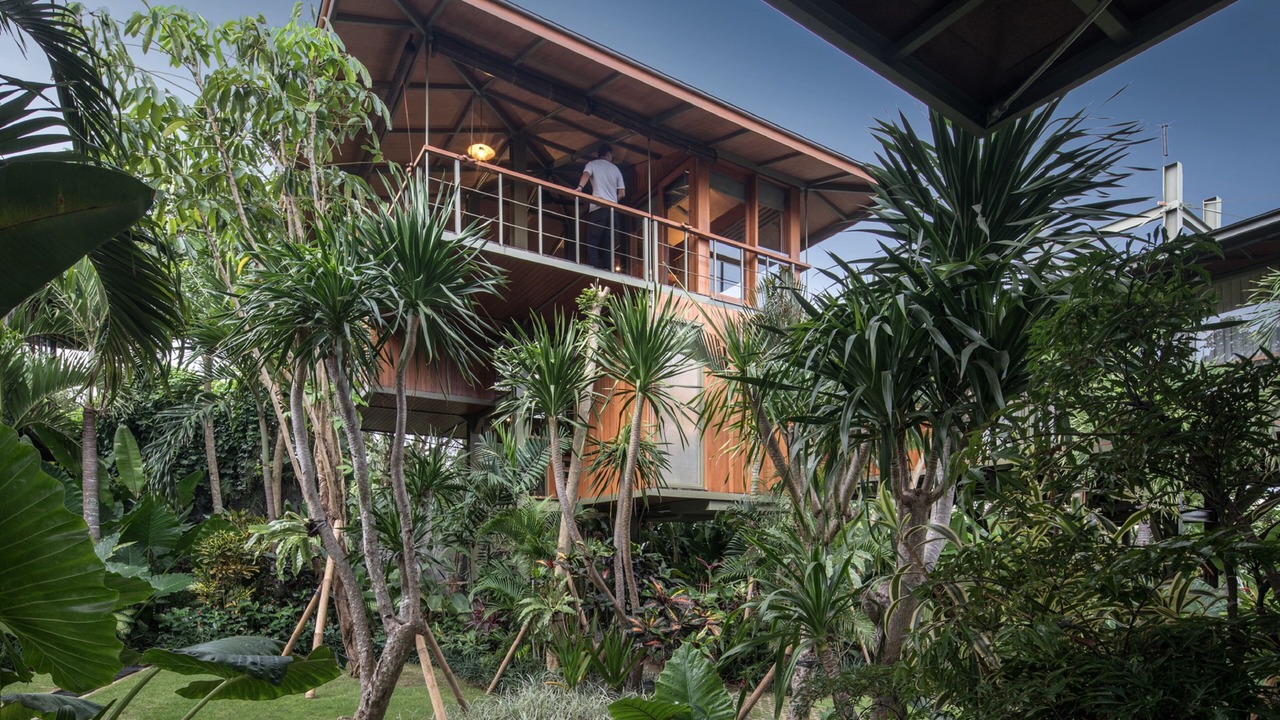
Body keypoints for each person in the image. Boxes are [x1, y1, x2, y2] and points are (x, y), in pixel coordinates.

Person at [574, 144, 625, 270]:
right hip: (612, 210)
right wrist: (613, 200)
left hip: (598, 208)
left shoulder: (592, 164)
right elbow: (622, 194)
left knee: (593, 238)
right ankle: (608, 267)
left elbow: (586, 175)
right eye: (611, 155)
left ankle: (593, 266)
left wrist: (579, 188)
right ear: (608, 154)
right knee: (609, 240)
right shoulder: (616, 169)